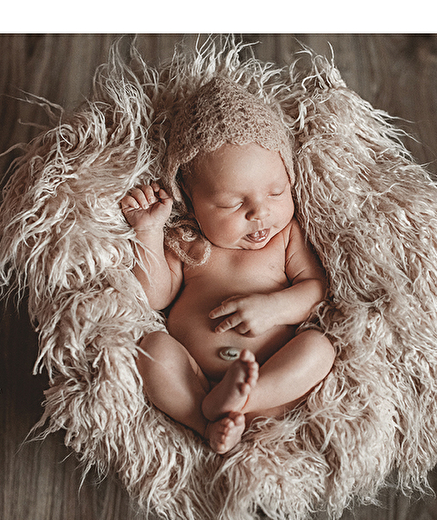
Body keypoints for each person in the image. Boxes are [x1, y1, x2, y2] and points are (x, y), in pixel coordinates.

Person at [121, 78, 336, 455]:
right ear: (191, 202)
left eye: (276, 193)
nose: (260, 213)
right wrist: (148, 231)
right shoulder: (187, 239)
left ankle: (244, 400)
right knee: (152, 351)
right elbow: (154, 298)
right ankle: (206, 422)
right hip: (195, 378)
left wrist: (274, 308)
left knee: (319, 348)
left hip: (271, 378)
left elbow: (315, 289)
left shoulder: (286, 236)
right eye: (232, 204)